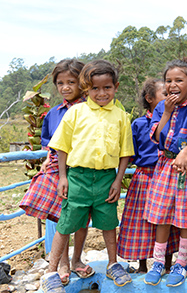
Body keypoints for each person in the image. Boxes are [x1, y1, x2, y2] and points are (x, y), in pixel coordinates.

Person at [41, 59, 134, 293]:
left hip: (106, 178)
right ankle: (52, 271)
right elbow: (61, 146)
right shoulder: (75, 112)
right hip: (77, 177)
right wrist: (63, 177)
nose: (101, 93)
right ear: (86, 89)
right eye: (94, 88)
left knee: (108, 221)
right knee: (66, 222)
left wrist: (117, 180)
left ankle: (113, 264)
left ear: (116, 86)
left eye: (107, 87)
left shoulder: (121, 116)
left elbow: (125, 153)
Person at [20, 59, 91, 284]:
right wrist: (46, 160)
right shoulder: (52, 114)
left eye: (71, 82)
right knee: (61, 215)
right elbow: (47, 143)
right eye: (60, 83)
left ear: (83, 83)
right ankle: (62, 262)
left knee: (81, 217)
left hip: (84, 170)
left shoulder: (93, 110)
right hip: (59, 170)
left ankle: (77, 258)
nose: (65, 87)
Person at [143, 59, 187, 287]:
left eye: (178, 80)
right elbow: (156, 137)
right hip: (165, 166)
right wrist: (167, 113)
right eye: (168, 80)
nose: (172, 84)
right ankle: (159, 262)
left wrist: (185, 154)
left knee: (185, 217)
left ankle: (181, 263)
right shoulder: (162, 107)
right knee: (161, 215)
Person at [117, 79, 178, 275]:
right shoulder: (139, 124)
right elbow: (131, 153)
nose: (170, 98)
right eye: (164, 94)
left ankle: (167, 264)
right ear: (149, 99)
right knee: (141, 221)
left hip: (168, 174)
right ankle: (143, 265)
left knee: (167, 219)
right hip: (145, 176)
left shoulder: (177, 120)